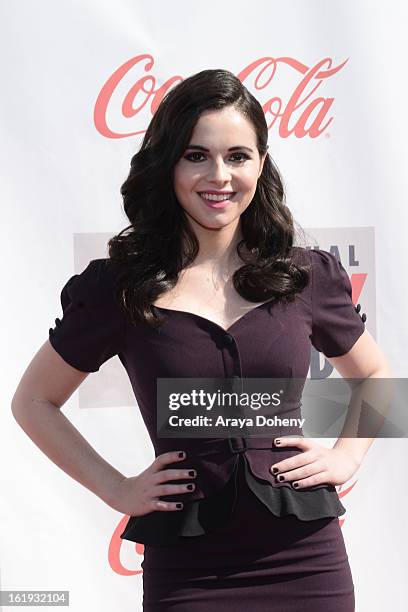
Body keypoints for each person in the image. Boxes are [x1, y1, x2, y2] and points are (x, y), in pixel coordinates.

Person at [11, 69, 391, 611]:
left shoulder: (305, 275)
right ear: (167, 163)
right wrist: (117, 488)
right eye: (196, 155)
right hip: (187, 569)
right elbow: (33, 402)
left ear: (262, 163)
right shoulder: (120, 287)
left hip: (306, 558)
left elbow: (379, 378)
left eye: (238, 155)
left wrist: (348, 457)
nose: (219, 175)